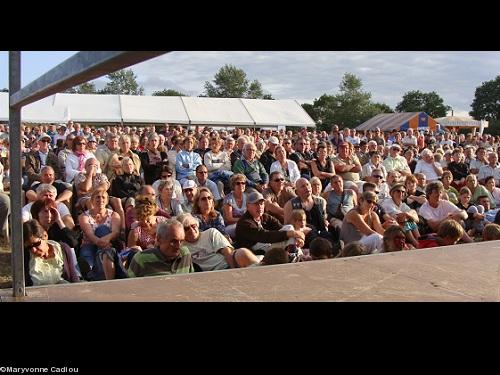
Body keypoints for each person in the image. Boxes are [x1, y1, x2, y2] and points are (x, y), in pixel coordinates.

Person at [177, 213, 259, 271]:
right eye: (186, 228)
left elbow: (227, 251)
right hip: (207, 276)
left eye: (193, 226)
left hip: (227, 265)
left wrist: (234, 271)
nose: (191, 230)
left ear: (197, 225)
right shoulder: (182, 247)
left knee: (242, 253)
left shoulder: (210, 233)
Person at [235, 191, 305, 254]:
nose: (260, 207)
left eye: (262, 203)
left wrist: (297, 236)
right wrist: (292, 233)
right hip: (254, 252)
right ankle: (296, 255)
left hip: (268, 246)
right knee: (289, 232)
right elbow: (264, 236)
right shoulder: (245, 223)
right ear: (248, 206)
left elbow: (281, 228)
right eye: (256, 204)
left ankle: (295, 254)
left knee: (289, 228)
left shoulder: (265, 217)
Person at [78, 189, 125, 281]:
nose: (100, 199)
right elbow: (89, 234)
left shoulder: (114, 215)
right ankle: (92, 272)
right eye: (97, 197)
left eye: (103, 197)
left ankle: (99, 272)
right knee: (87, 260)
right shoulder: (84, 216)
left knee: (102, 229)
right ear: (92, 200)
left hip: (108, 244)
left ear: (107, 200)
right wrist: (98, 241)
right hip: (90, 244)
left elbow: (115, 232)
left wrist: (104, 241)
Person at [127, 219, 194, 277]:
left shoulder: (185, 254)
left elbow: (191, 280)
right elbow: (128, 287)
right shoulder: (141, 259)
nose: (178, 246)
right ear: (159, 239)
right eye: (173, 241)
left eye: (181, 241)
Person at [22, 219, 79, 286]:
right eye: (29, 247)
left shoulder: (63, 248)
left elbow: (73, 277)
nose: (33, 250)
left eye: (36, 244)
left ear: (45, 236)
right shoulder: (25, 256)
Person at [381, 183, 420, 248]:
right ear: (392, 193)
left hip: (400, 226)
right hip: (389, 227)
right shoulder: (387, 203)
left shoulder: (403, 205)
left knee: (411, 220)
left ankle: (419, 239)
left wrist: (408, 214)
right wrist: (409, 215)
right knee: (405, 221)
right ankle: (415, 243)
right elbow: (401, 217)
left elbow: (416, 218)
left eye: (403, 192)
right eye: (398, 191)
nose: (401, 193)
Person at [222, 173, 248, 238]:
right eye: (238, 183)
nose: (241, 185)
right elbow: (229, 219)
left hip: (245, 223)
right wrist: (244, 220)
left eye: (243, 183)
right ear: (233, 185)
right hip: (231, 226)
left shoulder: (247, 197)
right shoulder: (228, 199)